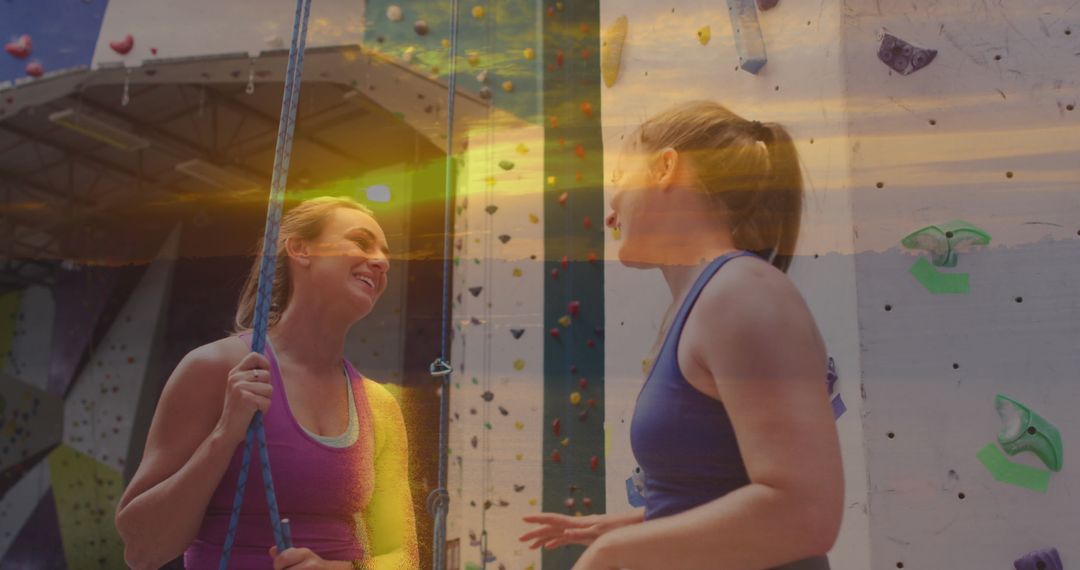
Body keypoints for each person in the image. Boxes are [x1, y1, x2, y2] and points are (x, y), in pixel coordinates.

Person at [519, 101, 843, 569]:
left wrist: (613, 554)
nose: (611, 209)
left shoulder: (742, 293)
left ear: (665, 167)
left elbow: (805, 515)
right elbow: (724, 489)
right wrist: (639, 523)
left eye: (619, 181)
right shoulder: (703, 303)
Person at [115, 196, 419, 569]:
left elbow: (402, 556)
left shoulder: (379, 406)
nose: (381, 261)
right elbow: (142, 548)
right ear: (301, 249)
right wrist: (226, 433)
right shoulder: (215, 368)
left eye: (385, 253)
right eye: (360, 241)